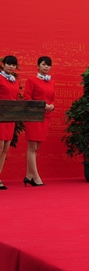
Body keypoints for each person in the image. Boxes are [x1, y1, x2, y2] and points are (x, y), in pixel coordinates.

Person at [23, 56, 55, 186]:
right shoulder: (31, 80)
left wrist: (51, 105)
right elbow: (26, 99)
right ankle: (36, 177)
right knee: (32, 147)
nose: (46, 67)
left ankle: (28, 176)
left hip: (45, 117)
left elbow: (52, 99)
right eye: (43, 64)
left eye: (48, 65)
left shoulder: (51, 82)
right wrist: (42, 105)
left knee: (37, 148)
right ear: (38, 66)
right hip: (33, 117)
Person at [0, 56, 20, 190]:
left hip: (10, 118)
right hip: (0, 117)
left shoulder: (15, 81)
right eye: (9, 64)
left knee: (5, 147)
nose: (11, 67)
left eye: (13, 65)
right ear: (3, 64)